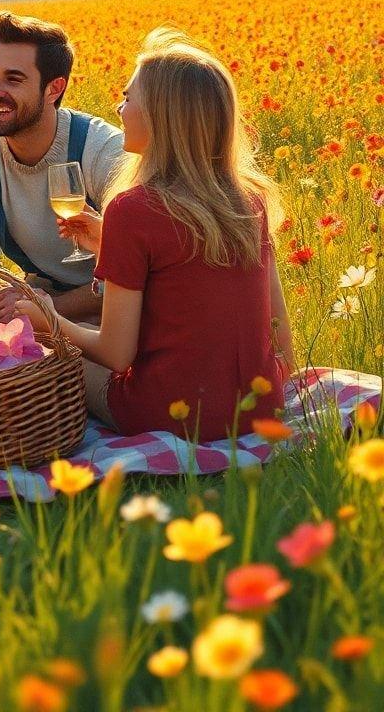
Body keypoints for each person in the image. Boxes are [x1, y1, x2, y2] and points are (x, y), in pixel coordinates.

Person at [15, 28, 293, 442]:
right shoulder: (246, 201)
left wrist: (48, 319)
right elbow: (278, 332)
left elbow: (116, 354)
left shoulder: (133, 209)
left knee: (52, 351)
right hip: (260, 406)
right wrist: (110, 244)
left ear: (162, 117)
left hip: (167, 415)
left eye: (128, 99)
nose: (119, 107)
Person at [0, 11, 123, 337]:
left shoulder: (102, 150)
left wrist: (49, 311)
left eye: (13, 79)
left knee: (86, 368)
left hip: (102, 304)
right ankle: (22, 354)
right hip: (37, 293)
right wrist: (2, 303)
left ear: (54, 89)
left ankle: (33, 359)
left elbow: (131, 271)